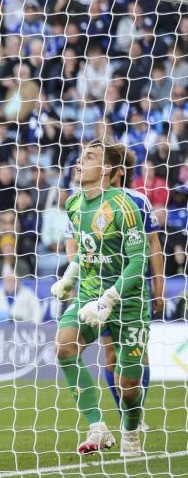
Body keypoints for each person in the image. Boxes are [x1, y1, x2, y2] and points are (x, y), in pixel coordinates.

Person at [50, 142, 150, 457]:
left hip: (128, 300)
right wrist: (69, 278)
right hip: (89, 293)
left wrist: (109, 299)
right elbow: (84, 251)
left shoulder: (125, 206)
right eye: (81, 157)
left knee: (128, 385)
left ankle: (131, 431)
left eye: (90, 157)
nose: (81, 161)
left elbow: (139, 261)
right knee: (64, 346)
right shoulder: (75, 204)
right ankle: (97, 427)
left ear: (107, 169)